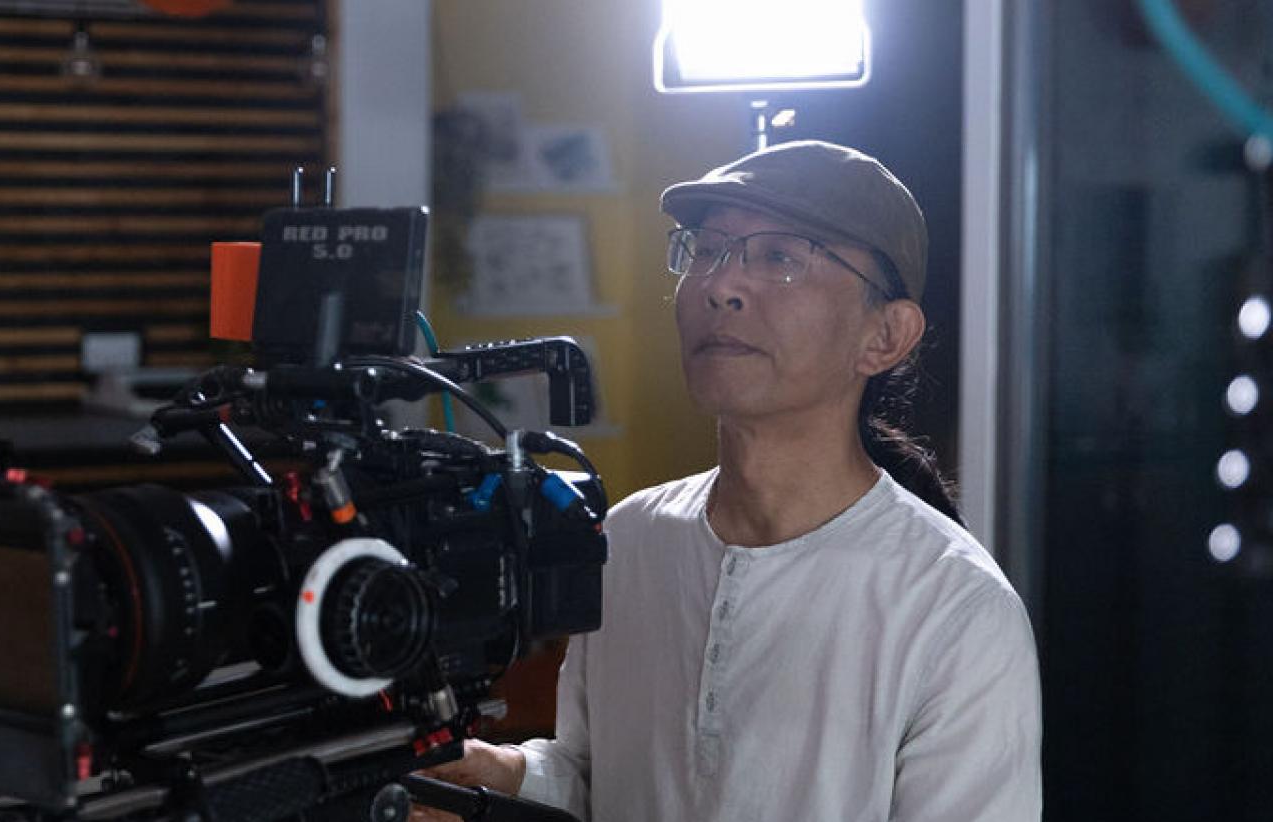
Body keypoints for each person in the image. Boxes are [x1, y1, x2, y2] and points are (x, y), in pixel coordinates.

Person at [414, 141, 1042, 821]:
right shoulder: (630, 537)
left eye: (781, 258)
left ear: (885, 336)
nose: (719, 285)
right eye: (706, 250)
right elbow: (598, 777)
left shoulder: (954, 608)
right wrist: (496, 773)